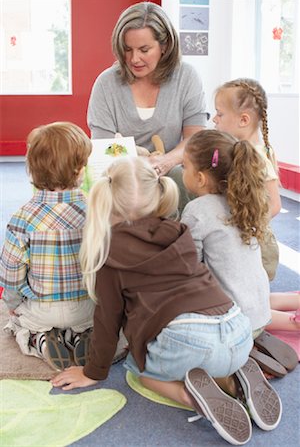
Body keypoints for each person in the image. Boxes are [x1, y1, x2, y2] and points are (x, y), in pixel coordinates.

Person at [51, 156, 282, 444]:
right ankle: (235, 379)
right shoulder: (180, 231)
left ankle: (193, 397)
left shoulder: (109, 254)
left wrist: (93, 372)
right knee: (207, 351)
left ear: (106, 201)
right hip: (238, 328)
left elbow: (107, 320)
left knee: (140, 372)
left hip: (189, 340)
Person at [181, 130, 298, 376]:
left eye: (184, 167)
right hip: (260, 311)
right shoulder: (246, 201)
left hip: (232, 325)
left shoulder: (196, 210)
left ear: (200, 178)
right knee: (241, 284)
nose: (182, 173)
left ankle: (234, 363)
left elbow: (189, 270)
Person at [87, 1, 209, 214]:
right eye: (127, 49)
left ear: (164, 46)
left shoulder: (187, 76)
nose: (134, 59)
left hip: (172, 169)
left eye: (144, 49)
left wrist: (165, 162)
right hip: (121, 174)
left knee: (180, 178)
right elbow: (103, 149)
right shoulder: (105, 84)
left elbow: (195, 139)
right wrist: (140, 166)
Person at [0, 122, 95, 371]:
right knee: (90, 318)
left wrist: (12, 306)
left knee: (17, 321)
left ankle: (38, 338)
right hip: (87, 306)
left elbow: (10, 272)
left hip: (42, 308)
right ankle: (82, 334)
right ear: (78, 170)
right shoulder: (95, 210)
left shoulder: (23, 217)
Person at [212, 78, 300, 332]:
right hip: (249, 241)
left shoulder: (256, 158)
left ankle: (293, 325)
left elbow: (274, 205)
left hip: (256, 246)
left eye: (219, 114)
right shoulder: (240, 151)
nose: (215, 119)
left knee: (245, 307)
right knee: (249, 296)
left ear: (243, 120)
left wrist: (245, 228)